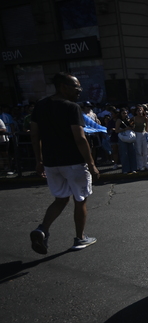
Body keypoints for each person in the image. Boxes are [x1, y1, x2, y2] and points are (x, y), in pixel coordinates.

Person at [29, 72, 100, 254]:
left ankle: (42, 229)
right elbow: (80, 138)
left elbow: (35, 134)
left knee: (60, 199)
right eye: (76, 87)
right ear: (63, 87)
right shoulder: (71, 107)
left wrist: (39, 160)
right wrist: (91, 164)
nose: (79, 91)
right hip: (73, 162)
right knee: (80, 199)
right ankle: (80, 237)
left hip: (52, 164)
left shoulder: (41, 106)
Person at [115, 108, 137, 174]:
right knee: (124, 153)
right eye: (123, 113)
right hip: (122, 137)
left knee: (132, 152)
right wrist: (124, 129)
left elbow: (132, 126)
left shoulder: (128, 119)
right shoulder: (119, 121)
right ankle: (125, 169)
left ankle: (133, 168)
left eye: (126, 113)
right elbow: (116, 130)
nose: (125, 114)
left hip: (130, 137)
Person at [133, 105, 148, 171]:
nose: (139, 112)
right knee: (139, 150)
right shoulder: (134, 118)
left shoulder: (145, 118)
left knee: (146, 149)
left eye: (141, 110)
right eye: (138, 110)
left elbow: (147, 127)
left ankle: (146, 164)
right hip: (137, 134)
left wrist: (147, 134)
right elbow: (131, 125)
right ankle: (140, 165)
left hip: (144, 133)